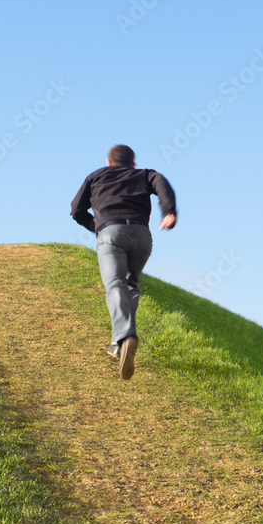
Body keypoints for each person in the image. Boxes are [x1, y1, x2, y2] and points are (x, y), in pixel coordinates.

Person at [70, 145, 177, 380]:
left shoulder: (96, 175)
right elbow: (161, 183)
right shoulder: (145, 174)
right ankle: (118, 344)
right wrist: (169, 212)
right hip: (141, 234)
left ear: (108, 162)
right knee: (130, 286)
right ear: (133, 164)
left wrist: (96, 226)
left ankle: (125, 336)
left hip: (112, 232)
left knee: (115, 284)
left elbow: (76, 210)